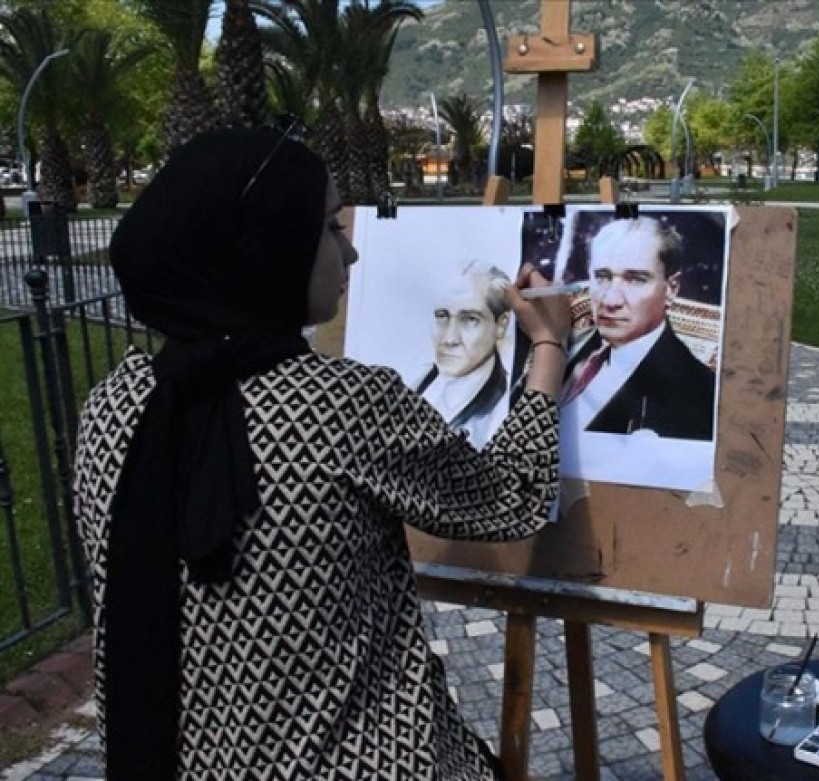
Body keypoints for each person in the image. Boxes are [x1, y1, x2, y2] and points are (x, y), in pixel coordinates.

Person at [76, 127, 570, 780]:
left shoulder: (113, 406)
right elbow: (515, 494)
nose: (351, 252)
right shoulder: (343, 405)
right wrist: (549, 346)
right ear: (267, 245)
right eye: (331, 227)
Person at [560, 216, 716, 440]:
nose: (610, 300)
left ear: (671, 289)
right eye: (602, 277)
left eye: (635, 279)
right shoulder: (567, 345)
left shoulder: (698, 396)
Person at [413, 262, 512, 445]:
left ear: (501, 325)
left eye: (470, 320)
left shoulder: (505, 410)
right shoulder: (415, 384)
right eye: (442, 316)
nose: (449, 339)